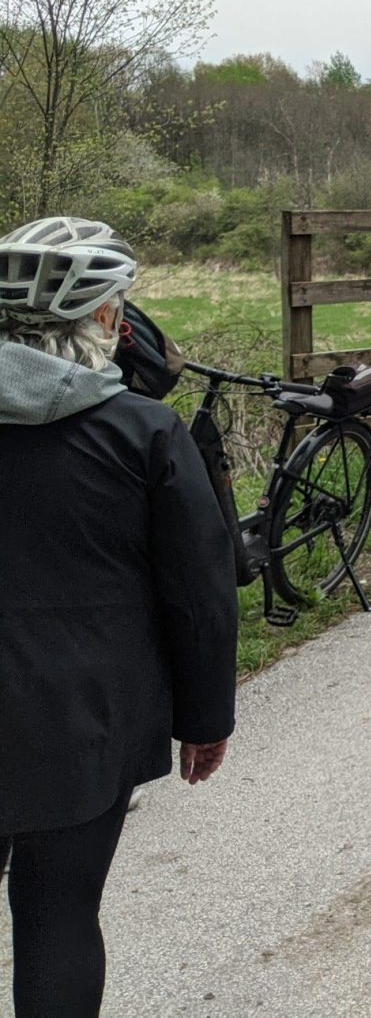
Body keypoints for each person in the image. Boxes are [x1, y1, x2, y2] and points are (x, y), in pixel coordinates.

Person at [0, 217, 237, 1016]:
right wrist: (203, 718)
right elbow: (199, 592)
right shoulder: (144, 431)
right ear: (104, 319)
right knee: (58, 915)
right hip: (81, 722)